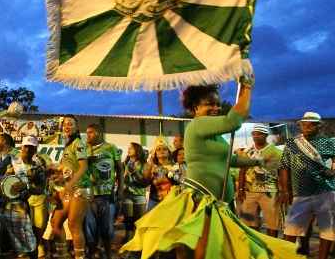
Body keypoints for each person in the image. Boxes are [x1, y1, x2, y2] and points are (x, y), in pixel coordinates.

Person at [122, 79, 299, 259]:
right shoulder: (198, 125)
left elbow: (230, 159)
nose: (215, 108)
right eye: (209, 104)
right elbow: (234, 121)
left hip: (219, 203)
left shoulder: (215, 136)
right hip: (202, 201)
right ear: (195, 108)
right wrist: (247, 87)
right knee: (205, 249)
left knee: (214, 249)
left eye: (217, 104)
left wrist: (258, 162)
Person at [279, 111, 335, 259]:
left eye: (311, 123)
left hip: (325, 191)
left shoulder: (327, 141)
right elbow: (284, 167)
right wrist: (285, 190)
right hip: (300, 193)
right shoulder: (292, 143)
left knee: (327, 229)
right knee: (291, 230)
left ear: (319, 126)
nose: (307, 126)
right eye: (304, 123)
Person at [0, 135, 45, 259]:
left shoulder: (38, 168)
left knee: (29, 245)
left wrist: (27, 186)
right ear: (21, 147)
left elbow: (40, 189)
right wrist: (5, 174)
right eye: (26, 147)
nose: (28, 150)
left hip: (18, 207)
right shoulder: (9, 160)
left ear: (35, 150)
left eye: (31, 147)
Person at [50, 115, 91, 259]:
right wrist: (56, 173)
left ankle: (80, 257)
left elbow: (84, 167)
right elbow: (68, 169)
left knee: (74, 225)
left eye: (70, 124)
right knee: (55, 222)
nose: (67, 126)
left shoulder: (78, 143)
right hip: (70, 189)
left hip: (80, 189)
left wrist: (70, 184)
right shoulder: (68, 145)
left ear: (76, 128)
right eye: (65, 124)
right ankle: (63, 255)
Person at [237, 123, 283, 237]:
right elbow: (242, 170)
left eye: (260, 134)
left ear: (266, 135)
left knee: (272, 223)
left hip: (270, 191)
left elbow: (281, 173)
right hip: (249, 192)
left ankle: (271, 247)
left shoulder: (276, 152)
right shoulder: (247, 151)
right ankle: (256, 246)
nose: (256, 136)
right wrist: (241, 189)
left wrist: (283, 191)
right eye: (254, 134)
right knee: (249, 222)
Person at [84, 124, 122, 259]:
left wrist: (120, 190)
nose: (87, 135)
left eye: (90, 132)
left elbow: (120, 169)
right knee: (90, 230)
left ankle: (108, 254)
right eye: (86, 132)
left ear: (98, 133)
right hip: (89, 196)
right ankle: (94, 252)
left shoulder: (111, 148)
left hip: (107, 195)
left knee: (107, 230)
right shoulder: (84, 150)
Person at [142, 138, 182, 210]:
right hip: (154, 202)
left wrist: (166, 171)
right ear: (155, 153)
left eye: (164, 149)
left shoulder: (175, 166)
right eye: (158, 149)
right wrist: (149, 167)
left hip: (170, 202)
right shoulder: (151, 166)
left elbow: (178, 182)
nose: (162, 151)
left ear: (169, 152)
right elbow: (144, 183)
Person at [121, 143, 148, 243]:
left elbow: (145, 182)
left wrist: (134, 172)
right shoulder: (125, 163)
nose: (128, 150)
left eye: (131, 148)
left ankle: (138, 242)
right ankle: (128, 240)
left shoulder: (144, 164)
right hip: (127, 194)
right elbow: (121, 178)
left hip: (139, 195)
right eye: (128, 148)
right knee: (128, 221)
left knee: (138, 221)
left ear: (137, 150)